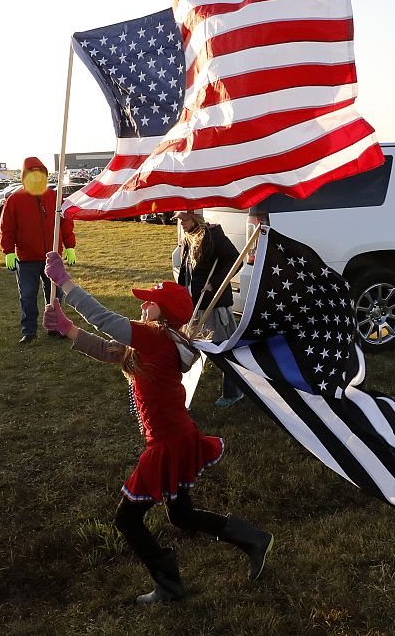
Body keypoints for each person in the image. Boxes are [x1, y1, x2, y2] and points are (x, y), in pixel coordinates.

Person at [41, 251, 273, 605]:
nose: (145, 303)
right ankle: (253, 539)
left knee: (127, 520)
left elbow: (103, 319)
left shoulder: (156, 338)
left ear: (166, 313)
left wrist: (66, 284)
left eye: (152, 301)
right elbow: (110, 350)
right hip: (178, 436)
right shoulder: (152, 342)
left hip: (168, 443)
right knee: (181, 515)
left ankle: (169, 583)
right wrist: (68, 329)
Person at [0, 156, 77, 344]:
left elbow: (65, 223)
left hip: (52, 257)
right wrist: (8, 251)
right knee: (27, 295)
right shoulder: (15, 200)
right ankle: (29, 330)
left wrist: (70, 246)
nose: (35, 178)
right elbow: (7, 228)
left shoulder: (55, 197)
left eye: (39, 174)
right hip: (27, 259)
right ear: (24, 177)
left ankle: (56, 326)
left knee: (55, 295)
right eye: (31, 175)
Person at [175, 210, 244, 407]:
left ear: (195, 218)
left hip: (214, 305)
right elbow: (186, 271)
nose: (181, 223)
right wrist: (180, 295)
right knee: (190, 346)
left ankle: (234, 392)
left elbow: (234, 260)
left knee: (223, 350)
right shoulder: (189, 237)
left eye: (184, 219)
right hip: (195, 304)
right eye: (178, 220)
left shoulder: (213, 236)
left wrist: (214, 283)